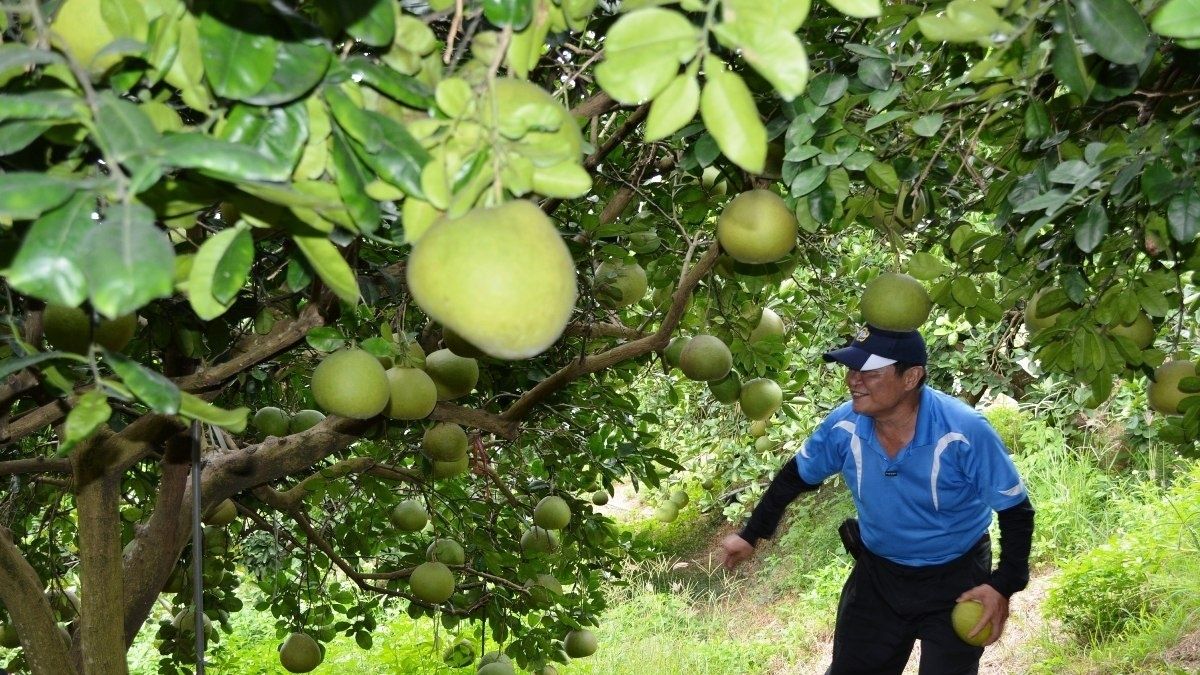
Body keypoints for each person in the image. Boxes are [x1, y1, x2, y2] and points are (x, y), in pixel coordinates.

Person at [721, 324, 1035, 674]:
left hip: (957, 577)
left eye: (868, 371)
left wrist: (1002, 585)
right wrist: (751, 534)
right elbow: (794, 478)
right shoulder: (844, 426)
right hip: (879, 578)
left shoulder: (964, 430)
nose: (854, 380)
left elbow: (1016, 510)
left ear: (911, 376)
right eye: (851, 369)